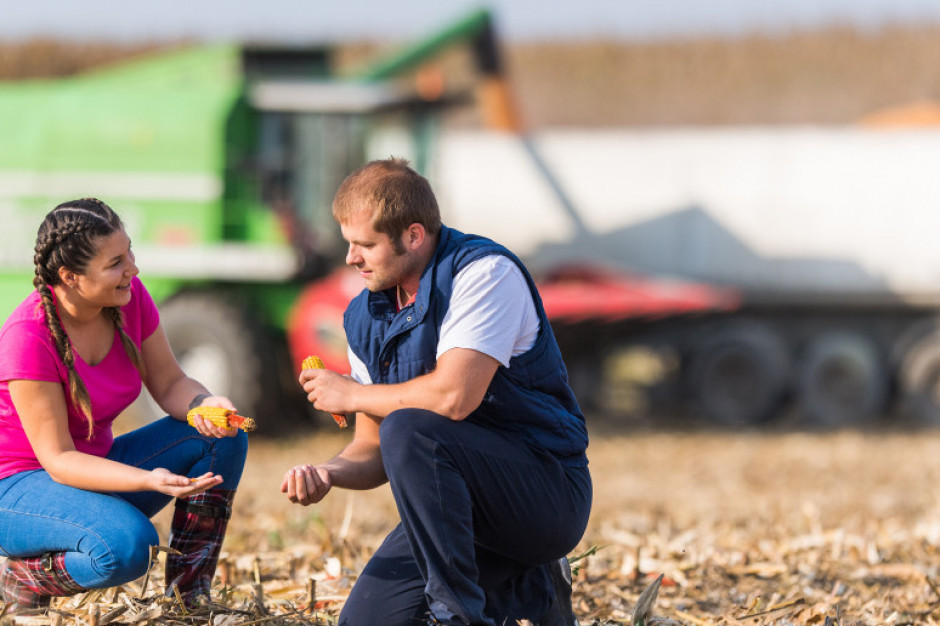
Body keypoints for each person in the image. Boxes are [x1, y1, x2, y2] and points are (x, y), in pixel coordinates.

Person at [281, 158, 592, 625]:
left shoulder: (485, 274)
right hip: (453, 514)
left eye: (365, 244)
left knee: (411, 427)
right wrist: (327, 473)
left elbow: (453, 397)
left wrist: (352, 394)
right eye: (349, 243)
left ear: (413, 235)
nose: (351, 258)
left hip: (544, 494)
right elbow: (373, 446)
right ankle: (535, 588)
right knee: (363, 623)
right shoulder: (363, 318)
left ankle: (458, 614)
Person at [0, 198, 248, 612]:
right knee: (129, 546)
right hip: (19, 486)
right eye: (115, 261)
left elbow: (170, 384)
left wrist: (205, 403)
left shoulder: (129, 298)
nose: (132, 268)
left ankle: (190, 598)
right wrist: (148, 479)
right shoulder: (26, 338)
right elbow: (59, 459)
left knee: (220, 437)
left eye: (129, 251)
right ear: (71, 277)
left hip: (92, 468)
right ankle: (21, 577)